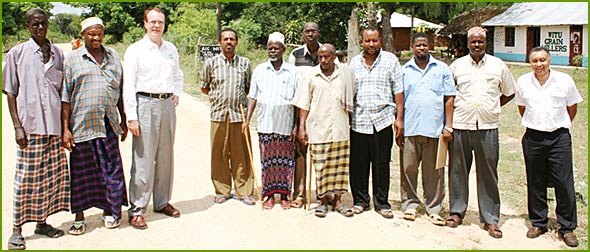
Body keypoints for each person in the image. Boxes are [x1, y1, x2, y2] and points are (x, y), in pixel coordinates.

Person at [2, 8, 69, 250]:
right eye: (34, 24)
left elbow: (63, 93)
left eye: (43, 24)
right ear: (28, 26)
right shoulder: (17, 53)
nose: (39, 28)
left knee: (50, 179)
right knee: (26, 179)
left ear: (48, 24)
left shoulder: (59, 54)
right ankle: (17, 229)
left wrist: (65, 128)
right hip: (30, 127)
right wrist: (17, 127)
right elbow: (10, 91)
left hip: (53, 128)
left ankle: (43, 222)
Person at [446, 26, 516, 239]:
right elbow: (448, 95)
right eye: (473, 42)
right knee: (457, 171)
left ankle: (490, 219)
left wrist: (493, 106)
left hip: (488, 127)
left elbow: (509, 92)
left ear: (486, 43)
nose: (477, 45)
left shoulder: (498, 65)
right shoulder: (457, 66)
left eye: (481, 42)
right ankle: (457, 212)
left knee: (488, 174)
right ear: (467, 44)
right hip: (461, 125)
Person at [61, 17, 128, 235]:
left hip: (107, 123)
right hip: (82, 125)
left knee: (111, 170)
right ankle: (79, 217)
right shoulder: (72, 60)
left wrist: (123, 119)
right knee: (82, 173)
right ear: (83, 36)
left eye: (99, 33)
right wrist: (65, 129)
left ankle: (110, 210)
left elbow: (119, 90)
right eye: (91, 34)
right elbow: (66, 97)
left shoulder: (113, 57)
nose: (96, 37)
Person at [123, 7, 184, 230]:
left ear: (164, 24)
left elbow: (178, 74)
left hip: (167, 105)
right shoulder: (135, 50)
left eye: (160, 22)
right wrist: (132, 116)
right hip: (145, 105)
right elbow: (128, 85)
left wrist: (176, 91)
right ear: (145, 24)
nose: (157, 25)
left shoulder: (170, 49)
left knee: (166, 156)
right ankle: (137, 209)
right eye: (153, 22)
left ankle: (161, 201)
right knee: (143, 158)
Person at [515, 47, 582, 247]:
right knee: (535, 180)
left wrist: (557, 125)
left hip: (559, 138)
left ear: (549, 60)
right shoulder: (524, 81)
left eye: (543, 60)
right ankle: (538, 222)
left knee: (563, 182)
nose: (539, 64)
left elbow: (572, 106)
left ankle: (567, 227)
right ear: (530, 63)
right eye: (535, 61)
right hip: (533, 137)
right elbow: (522, 107)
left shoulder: (564, 80)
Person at [292, 44, 355, 218]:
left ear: (334, 56)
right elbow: (304, 103)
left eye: (327, 57)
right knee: (321, 167)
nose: (323, 60)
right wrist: (302, 127)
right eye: (320, 57)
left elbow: (352, 94)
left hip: (340, 128)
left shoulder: (345, 74)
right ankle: (322, 201)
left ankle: (338, 201)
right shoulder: (311, 75)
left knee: (339, 168)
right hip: (318, 128)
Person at [348, 26, 404, 219]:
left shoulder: (391, 61)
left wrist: (399, 119)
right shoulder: (354, 63)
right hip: (359, 120)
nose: (371, 44)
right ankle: (360, 200)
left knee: (381, 164)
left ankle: (382, 203)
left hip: (383, 120)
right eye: (367, 41)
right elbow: (350, 92)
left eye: (374, 40)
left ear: (380, 40)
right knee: (358, 164)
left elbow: (398, 90)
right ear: (361, 42)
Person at [400, 33, 455, 225]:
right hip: (411, 128)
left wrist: (448, 126)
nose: (421, 48)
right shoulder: (404, 70)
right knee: (408, 168)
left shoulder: (441, 69)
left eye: (424, 45)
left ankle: (434, 208)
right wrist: (398, 123)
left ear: (429, 46)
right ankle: (410, 205)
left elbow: (449, 98)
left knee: (435, 171)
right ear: (412, 47)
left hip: (435, 128)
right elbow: (399, 99)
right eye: (418, 45)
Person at [243, 32, 299, 210]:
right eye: (270, 48)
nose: (273, 51)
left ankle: (284, 195)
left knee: (285, 161)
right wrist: (247, 119)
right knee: (267, 161)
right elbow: (252, 97)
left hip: (286, 124)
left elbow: (298, 101)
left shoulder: (293, 71)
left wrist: (297, 126)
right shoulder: (260, 70)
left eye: (276, 48)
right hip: (265, 124)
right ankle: (268, 195)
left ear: (283, 49)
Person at [201, 28, 256, 206]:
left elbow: (249, 89)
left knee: (242, 155)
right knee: (219, 154)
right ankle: (222, 190)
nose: (229, 42)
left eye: (232, 39)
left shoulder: (245, 63)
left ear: (237, 42)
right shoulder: (211, 63)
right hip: (218, 115)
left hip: (239, 116)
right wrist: (218, 98)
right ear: (220, 43)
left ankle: (244, 191)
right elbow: (204, 87)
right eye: (225, 39)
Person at [286, 21, 338, 208]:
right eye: (307, 31)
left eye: (313, 31)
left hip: (324, 114)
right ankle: (299, 194)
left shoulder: (328, 54)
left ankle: (325, 193)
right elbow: (293, 87)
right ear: (303, 34)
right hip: (302, 112)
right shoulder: (295, 55)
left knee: (324, 156)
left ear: (318, 33)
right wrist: (295, 122)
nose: (310, 34)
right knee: (300, 155)